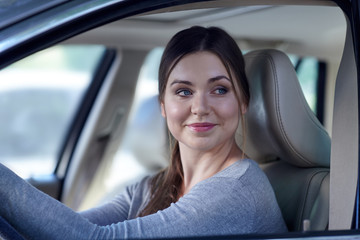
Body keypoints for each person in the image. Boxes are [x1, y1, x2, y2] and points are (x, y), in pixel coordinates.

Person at [0, 26, 287, 239]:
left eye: (220, 89)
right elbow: (55, 231)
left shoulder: (238, 192)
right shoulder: (153, 186)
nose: (200, 107)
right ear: (163, 105)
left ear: (243, 101)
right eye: (184, 91)